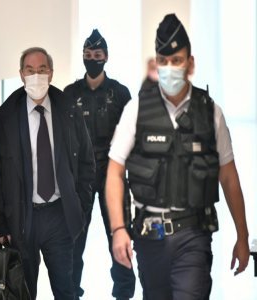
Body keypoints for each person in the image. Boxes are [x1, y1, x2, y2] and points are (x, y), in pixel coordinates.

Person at [106, 14, 250, 300]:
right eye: (164, 60)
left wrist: (242, 236)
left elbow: (228, 176)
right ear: (156, 63)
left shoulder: (210, 113)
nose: (170, 68)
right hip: (149, 237)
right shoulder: (136, 110)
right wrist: (118, 229)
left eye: (177, 60)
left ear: (191, 63)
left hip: (193, 235)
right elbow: (113, 172)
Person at [0, 47, 95, 300]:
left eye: (42, 69)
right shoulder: (5, 116)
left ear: (52, 73)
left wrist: (80, 208)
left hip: (59, 216)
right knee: (22, 292)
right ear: (21, 74)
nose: (36, 75)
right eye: (30, 70)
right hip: (22, 219)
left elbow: (87, 163)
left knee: (67, 290)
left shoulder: (69, 109)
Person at [63, 29, 135, 300]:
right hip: (79, 177)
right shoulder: (69, 93)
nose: (92, 59)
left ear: (106, 57)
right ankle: (70, 293)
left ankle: (124, 294)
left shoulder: (120, 93)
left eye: (97, 55)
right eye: (88, 55)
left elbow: (133, 136)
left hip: (112, 176)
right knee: (73, 241)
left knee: (119, 236)